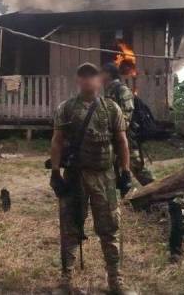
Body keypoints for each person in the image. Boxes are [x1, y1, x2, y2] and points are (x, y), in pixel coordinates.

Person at [49, 62, 136, 295]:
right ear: (78, 80)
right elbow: (57, 141)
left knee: (110, 228)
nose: (88, 80)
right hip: (75, 177)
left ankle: (116, 281)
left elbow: (121, 142)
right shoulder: (66, 108)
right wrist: (55, 172)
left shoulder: (112, 108)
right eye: (83, 76)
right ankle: (67, 280)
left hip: (104, 177)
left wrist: (125, 172)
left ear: (99, 80)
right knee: (70, 227)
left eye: (92, 75)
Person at [101, 63, 155, 186]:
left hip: (127, 138)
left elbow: (126, 116)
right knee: (118, 172)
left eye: (102, 73)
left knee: (139, 168)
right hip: (115, 137)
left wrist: (115, 131)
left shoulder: (122, 90)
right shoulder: (109, 91)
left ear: (108, 74)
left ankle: (160, 194)